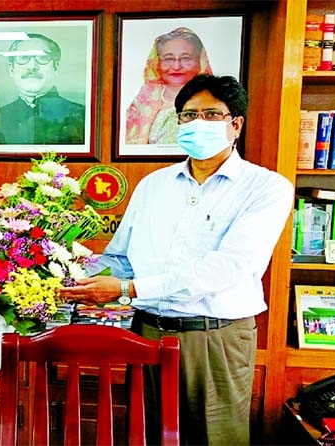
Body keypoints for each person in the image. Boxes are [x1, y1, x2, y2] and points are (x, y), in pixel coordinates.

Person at [61, 75, 293, 445]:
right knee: (147, 433)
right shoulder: (154, 185)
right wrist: (58, 271)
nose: (198, 123)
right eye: (188, 115)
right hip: (148, 330)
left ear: (236, 125)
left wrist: (128, 289)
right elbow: (121, 260)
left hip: (214, 335)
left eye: (211, 114)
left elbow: (229, 267)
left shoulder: (266, 188)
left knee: (216, 437)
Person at [0, 33, 85, 145]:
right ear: (11, 69)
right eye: (23, 57)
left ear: (55, 67)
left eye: (42, 57)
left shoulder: (82, 116)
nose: (32, 66)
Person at [125, 27, 213, 145]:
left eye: (186, 58)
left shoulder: (211, 102)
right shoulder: (141, 103)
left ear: (200, 62)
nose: (176, 66)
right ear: (157, 63)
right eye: (169, 59)